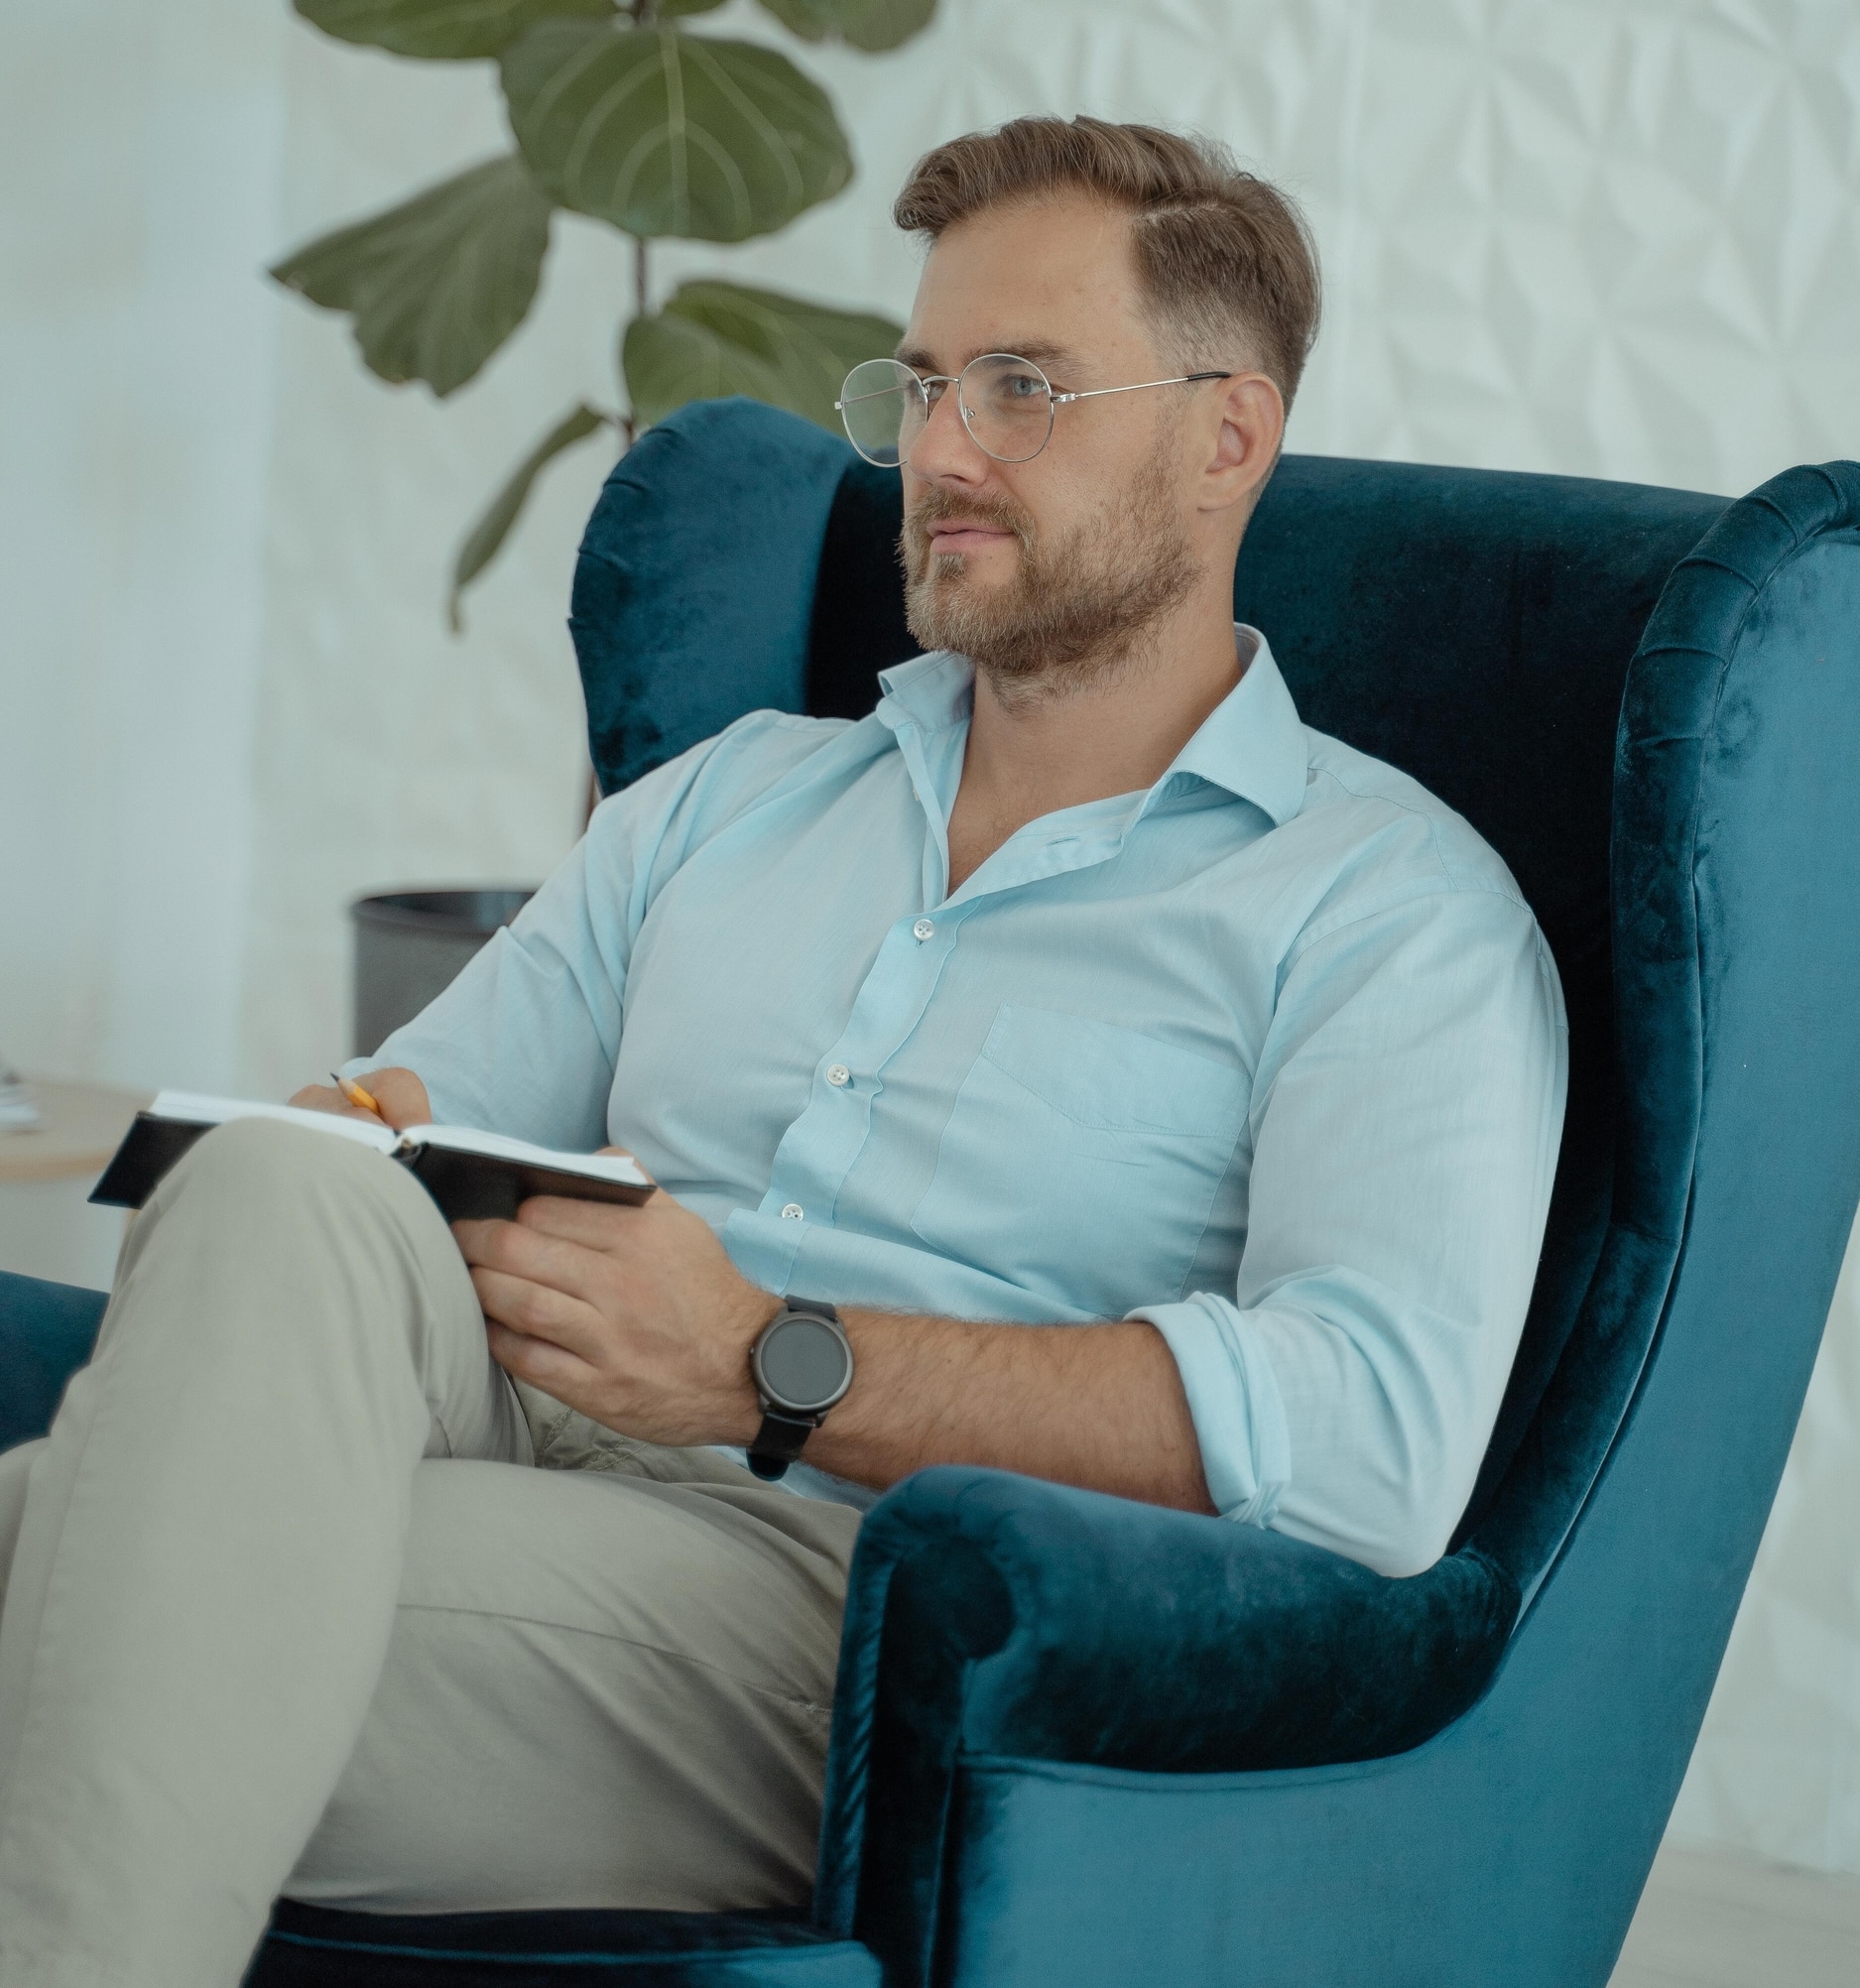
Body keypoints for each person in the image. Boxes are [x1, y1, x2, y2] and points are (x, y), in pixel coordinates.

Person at [0, 117, 1565, 1986]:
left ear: (1226, 436)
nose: (938, 452)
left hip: (858, 1593)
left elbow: (1373, 1449)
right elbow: (410, 1123)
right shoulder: (733, 797)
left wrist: (768, 1365)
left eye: (1022, 386)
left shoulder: (1390, 911)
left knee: (96, 1598)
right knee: (281, 1179)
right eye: (919, 385)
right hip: (513, 1419)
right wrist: (361, 1132)